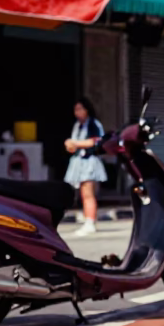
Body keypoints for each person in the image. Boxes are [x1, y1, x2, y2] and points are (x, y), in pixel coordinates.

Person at [63, 98, 108, 237]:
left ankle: (90, 222)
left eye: (80, 109)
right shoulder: (78, 125)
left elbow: (97, 141)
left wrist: (76, 143)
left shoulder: (94, 124)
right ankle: (88, 218)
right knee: (83, 194)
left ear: (87, 110)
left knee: (88, 194)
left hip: (89, 162)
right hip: (79, 162)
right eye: (76, 110)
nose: (78, 113)